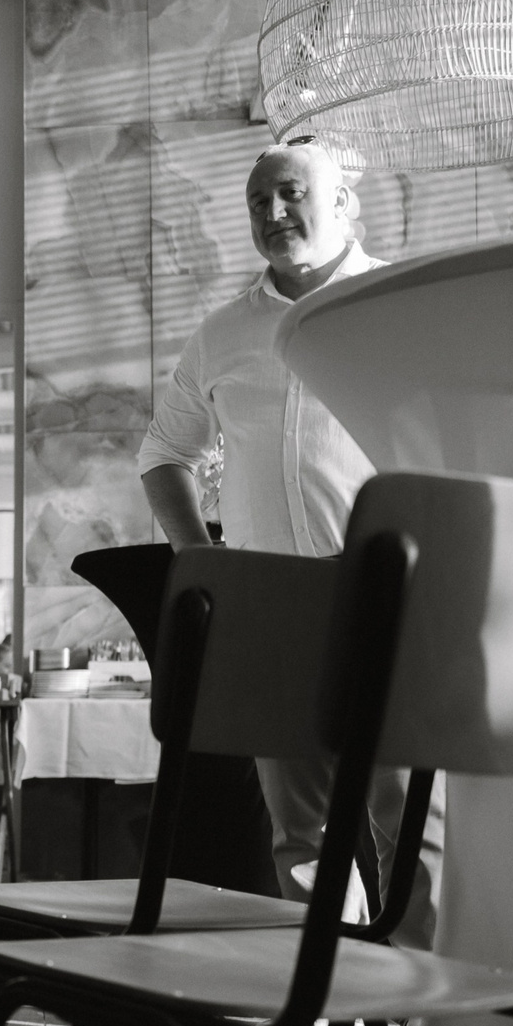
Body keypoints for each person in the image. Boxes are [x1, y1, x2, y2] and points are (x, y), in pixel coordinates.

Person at [136, 139, 442, 948]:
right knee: (302, 837)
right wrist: (202, 559)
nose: (272, 213)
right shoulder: (223, 334)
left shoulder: (401, 305)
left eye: (290, 193)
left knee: (410, 818)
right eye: (257, 201)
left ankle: (425, 1009)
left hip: (384, 599)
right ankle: (320, 994)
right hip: (268, 605)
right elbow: (163, 455)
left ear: (343, 204)